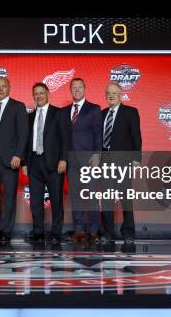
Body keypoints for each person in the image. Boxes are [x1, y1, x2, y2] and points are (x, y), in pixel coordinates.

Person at [22, 83, 68, 243]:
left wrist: (63, 159)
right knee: (35, 201)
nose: (39, 96)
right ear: (33, 96)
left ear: (48, 93)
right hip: (34, 162)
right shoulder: (30, 116)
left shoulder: (59, 113)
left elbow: (65, 138)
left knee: (56, 200)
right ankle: (38, 232)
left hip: (54, 163)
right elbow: (27, 141)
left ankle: (56, 233)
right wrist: (25, 163)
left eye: (41, 93)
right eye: (36, 93)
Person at [0, 77, 29, 242]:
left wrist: (18, 155)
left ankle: (7, 230)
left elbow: (24, 133)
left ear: (9, 88)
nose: (1, 89)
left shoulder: (18, 106)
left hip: (11, 158)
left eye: (4, 86)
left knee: (9, 196)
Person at [62, 77, 103, 244]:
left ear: (84, 89)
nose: (77, 90)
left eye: (80, 87)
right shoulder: (64, 111)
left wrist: (97, 155)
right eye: (74, 88)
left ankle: (93, 231)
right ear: (70, 90)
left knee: (92, 197)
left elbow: (98, 133)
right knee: (76, 197)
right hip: (72, 161)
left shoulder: (94, 109)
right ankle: (79, 230)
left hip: (89, 159)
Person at [100, 82, 142, 245]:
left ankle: (128, 232)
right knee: (107, 199)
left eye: (114, 93)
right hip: (105, 162)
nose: (111, 96)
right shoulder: (102, 114)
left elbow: (136, 137)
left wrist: (136, 160)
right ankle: (107, 233)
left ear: (121, 94)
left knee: (126, 199)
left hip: (124, 162)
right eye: (108, 93)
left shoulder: (131, 112)